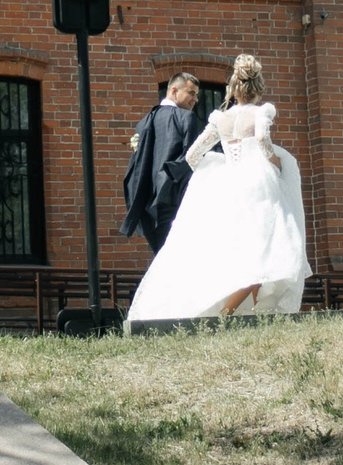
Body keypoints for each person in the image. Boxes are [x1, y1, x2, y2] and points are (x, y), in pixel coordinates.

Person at [126, 54, 310, 322]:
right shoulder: (262, 112)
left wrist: (214, 169)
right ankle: (235, 312)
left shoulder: (218, 119)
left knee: (236, 247)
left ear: (234, 89)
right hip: (258, 181)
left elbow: (192, 156)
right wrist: (274, 162)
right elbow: (261, 138)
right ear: (257, 88)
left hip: (228, 185)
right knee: (266, 243)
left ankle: (257, 312)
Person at [119, 73, 200, 251]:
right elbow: (191, 158)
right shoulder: (186, 118)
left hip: (146, 206)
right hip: (174, 200)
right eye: (191, 93)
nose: (195, 99)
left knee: (162, 260)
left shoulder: (143, 123)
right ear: (174, 90)